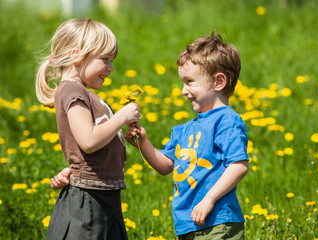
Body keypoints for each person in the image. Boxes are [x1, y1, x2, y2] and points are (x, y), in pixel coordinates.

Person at [52, 31, 249, 239]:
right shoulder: (185, 129)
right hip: (188, 223)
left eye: (190, 82)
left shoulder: (226, 121)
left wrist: (209, 199)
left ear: (219, 82)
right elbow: (165, 166)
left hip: (219, 220)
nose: (183, 90)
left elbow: (238, 165)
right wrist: (143, 143)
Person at [35, 18, 140, 240]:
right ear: (76, 55)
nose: (110, 68)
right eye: (105, 59)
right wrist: (121, 117)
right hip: (90, 201)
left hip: (102, 195)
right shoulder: (73, 91)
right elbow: (89, 141)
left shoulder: (81, 92)